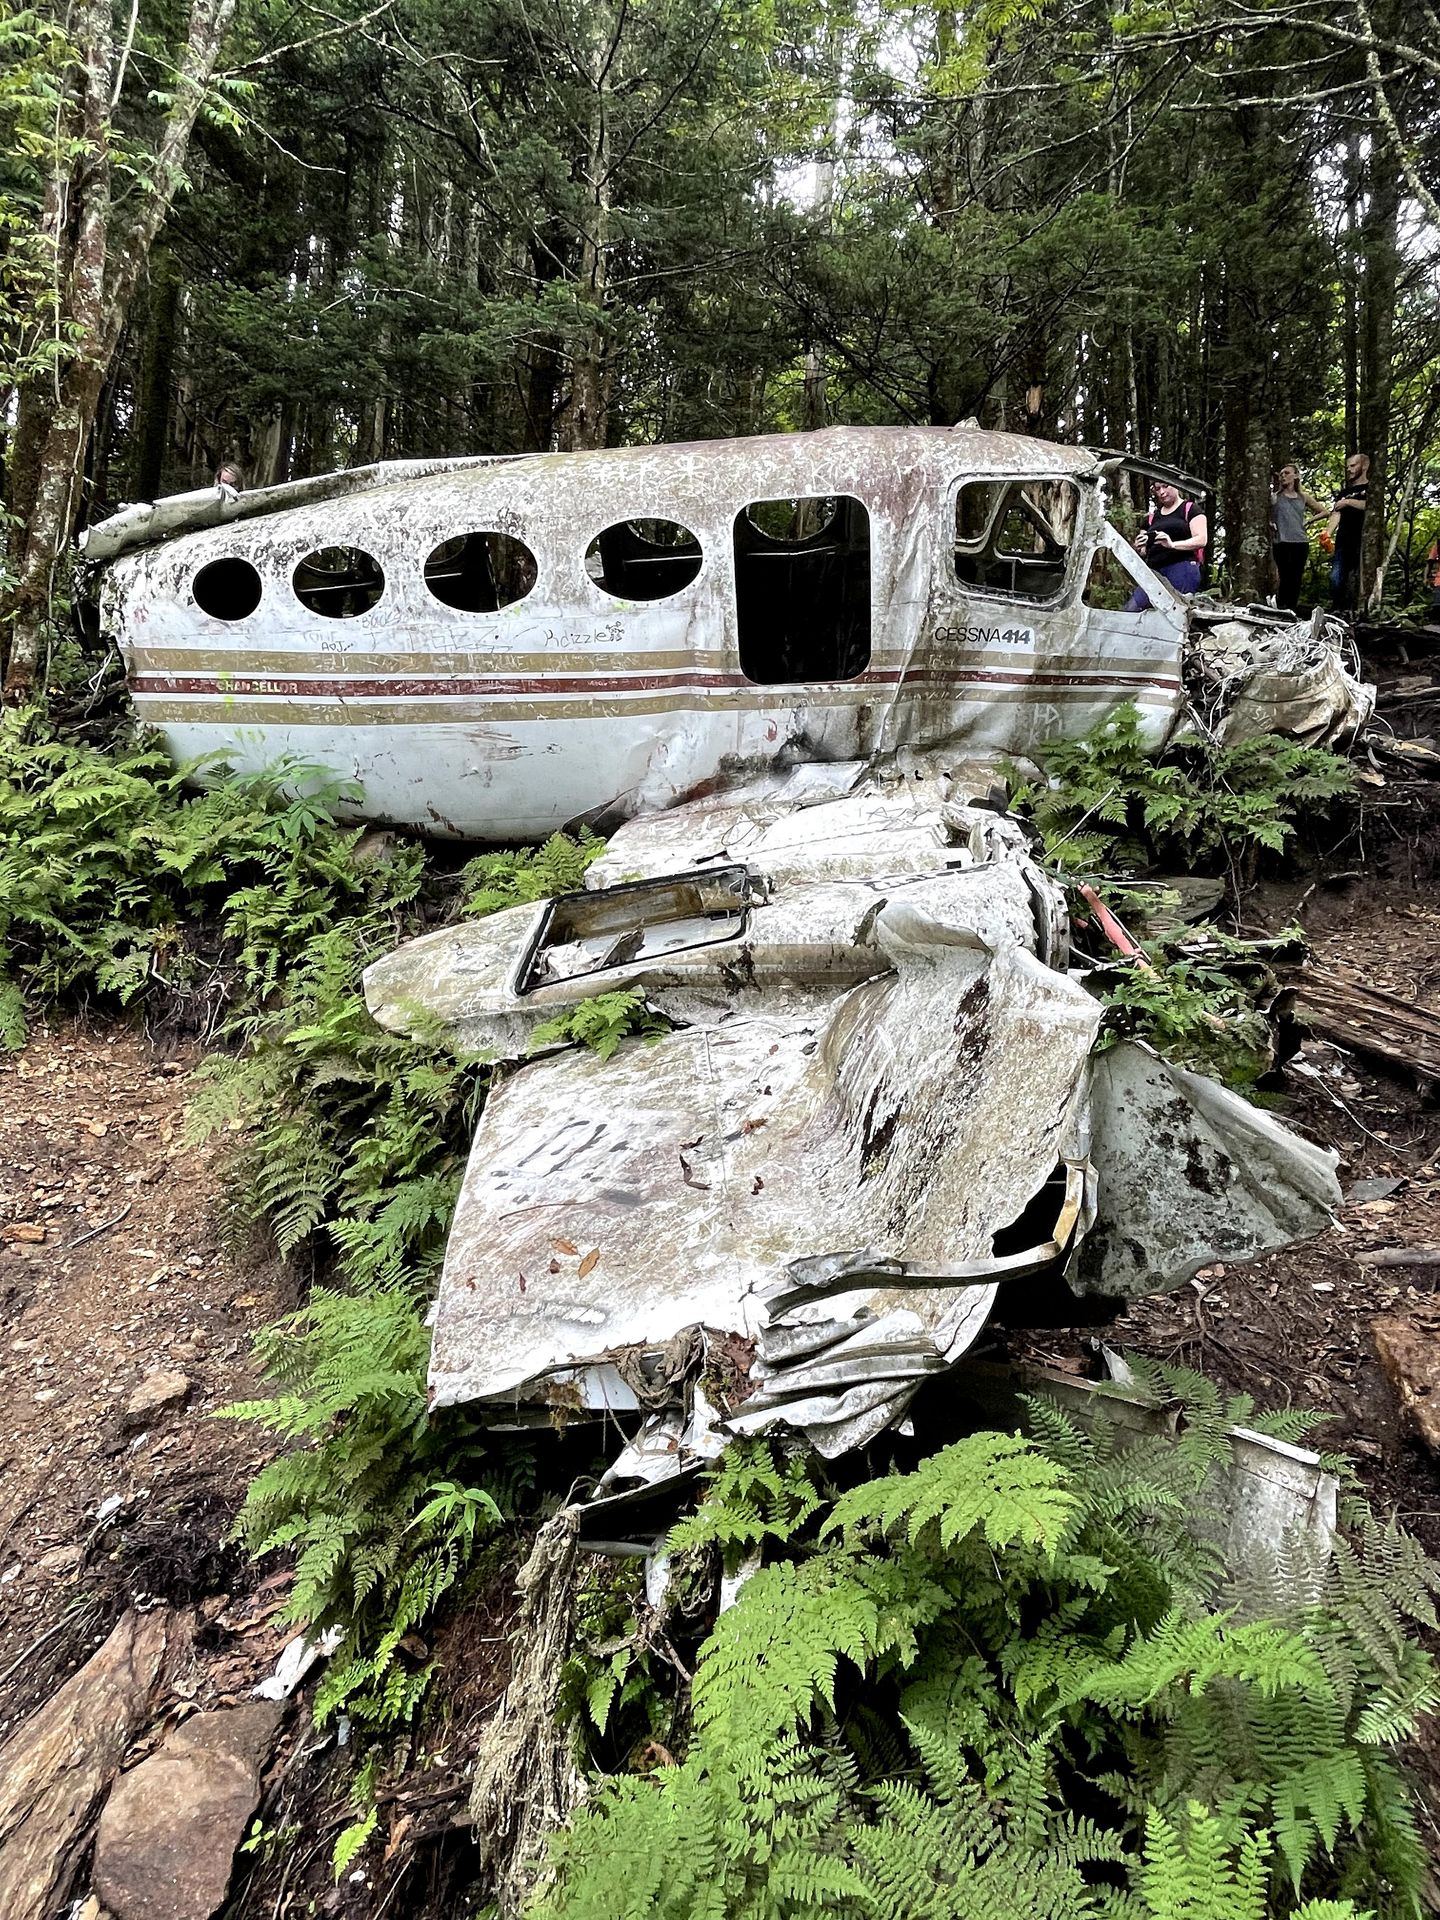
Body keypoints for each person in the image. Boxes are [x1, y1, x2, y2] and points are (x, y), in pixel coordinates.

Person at [1124, 480, 1208, 611]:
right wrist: (1139, 546)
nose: (1162, 492)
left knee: (1175, 612)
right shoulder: (1151, 518)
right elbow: (1143, 551)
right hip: (1154, 572)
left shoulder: (1191, 509)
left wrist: (1172, 545)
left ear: (1176, 485)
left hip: (1182, 567)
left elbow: (1201, 539)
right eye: (1157, 489)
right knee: (1131, 610)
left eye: (1165, 486)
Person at [1270, 464, 1326, 612]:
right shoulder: (1275, 497)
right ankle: (1282, 607)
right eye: (1281, 474)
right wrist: (1271, 524)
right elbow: (1266, 515)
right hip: (1281, 542)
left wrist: (1308, 521)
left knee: (1296, 577)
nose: (1283, 476)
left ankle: (1292, 608)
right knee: (1285, 575)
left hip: (1300, 541)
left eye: (1286, 473)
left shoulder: (1303, 497)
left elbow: (1324, 511)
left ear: (1296, 476)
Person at [1328, 452, 1369, 612]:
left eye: (1353, 466)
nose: (1349, 470)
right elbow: (1336, 513)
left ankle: (1358, 611)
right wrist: (1327, 533)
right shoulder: (1343, 493)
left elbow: (1371, 506)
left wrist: (1349, 502)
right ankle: (1337, 609)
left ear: (1364, 466)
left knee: (1361, 580)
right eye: (1348, 467)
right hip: (1343, 542)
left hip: (1364, 542)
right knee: (1336, 578)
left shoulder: (1370, 488)